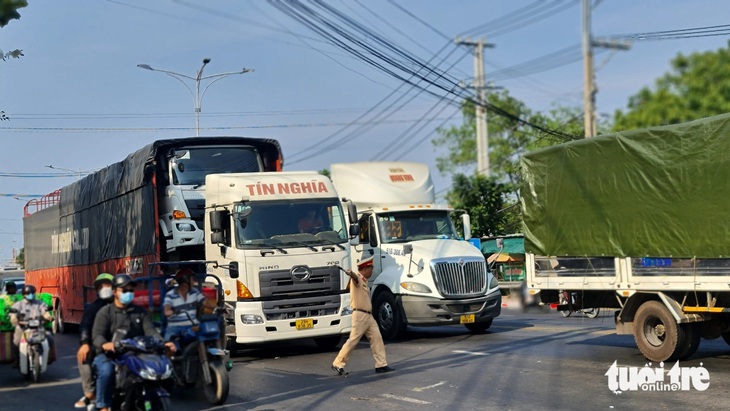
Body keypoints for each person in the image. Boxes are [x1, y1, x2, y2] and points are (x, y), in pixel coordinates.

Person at [91, 274, 176, 411]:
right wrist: (105, 344)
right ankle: (103, 405)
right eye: (124, 290)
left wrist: (164, 343)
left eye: (131, 291)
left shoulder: (140, 312)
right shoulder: (105, 312)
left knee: (162, 368)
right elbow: (97, 335)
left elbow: (151, 332)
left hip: (136, 354)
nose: (128, 293)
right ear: (114, 292)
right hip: (111, 355)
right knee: (106, 372)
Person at [331, 256, 394, 375]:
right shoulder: (358, 279)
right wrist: (351, 274)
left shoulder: (364, 280)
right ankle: (338, 363)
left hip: (368, 316)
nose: (372, 271)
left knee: (377, 338)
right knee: (353, 340)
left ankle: (381, 364)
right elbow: (355, 278)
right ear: (365, 269)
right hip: (360, 315)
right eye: (371, 268)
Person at [74, 273, 114, 410]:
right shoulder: (93, 308)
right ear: (97, 289)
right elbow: (85, 326)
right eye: (101, 286)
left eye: (108, 285)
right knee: (84, 358)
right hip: (101, 346)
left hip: (123, 345)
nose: (105, 288)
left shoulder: (124, 306)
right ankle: (90, 392)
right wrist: (85, 343)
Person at [163, 268, 216, 340]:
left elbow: (205, 302)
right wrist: (172, 311)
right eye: (192, 279)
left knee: (205, 337)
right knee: (169, 346)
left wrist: (217, 307)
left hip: (192, 325)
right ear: (185, 280)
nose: (193, 281)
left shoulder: (194, 292)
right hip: (175, 326)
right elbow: (166, 311)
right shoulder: (170, 295)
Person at [9, 285, 54, 369]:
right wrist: (14, 318)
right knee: (16, 342)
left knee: (50, 338)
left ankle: (48, 357)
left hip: (38, 328)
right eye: (28, 293)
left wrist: (48, 317)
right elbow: (13, 314)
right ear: (23, 294)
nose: (31, 295)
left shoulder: (39, 303)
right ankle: (17, 360)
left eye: (32, 293)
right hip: (22, 328)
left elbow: (45, 311)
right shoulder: (19, 304)